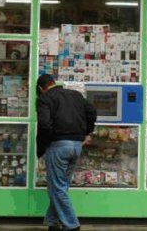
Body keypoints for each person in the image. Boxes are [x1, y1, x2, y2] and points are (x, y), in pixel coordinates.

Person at [36, 74, 97, 231]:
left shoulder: (44, 99)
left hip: (58, 146)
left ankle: (72, 225)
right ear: (53, 83)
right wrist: (86, 131)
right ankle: (52, 222)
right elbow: (92, 111)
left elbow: (44, 125)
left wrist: (44, 144)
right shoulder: (75, 95)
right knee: (61, 187)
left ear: (41, 88)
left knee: (57, 188)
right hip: (76, 146)